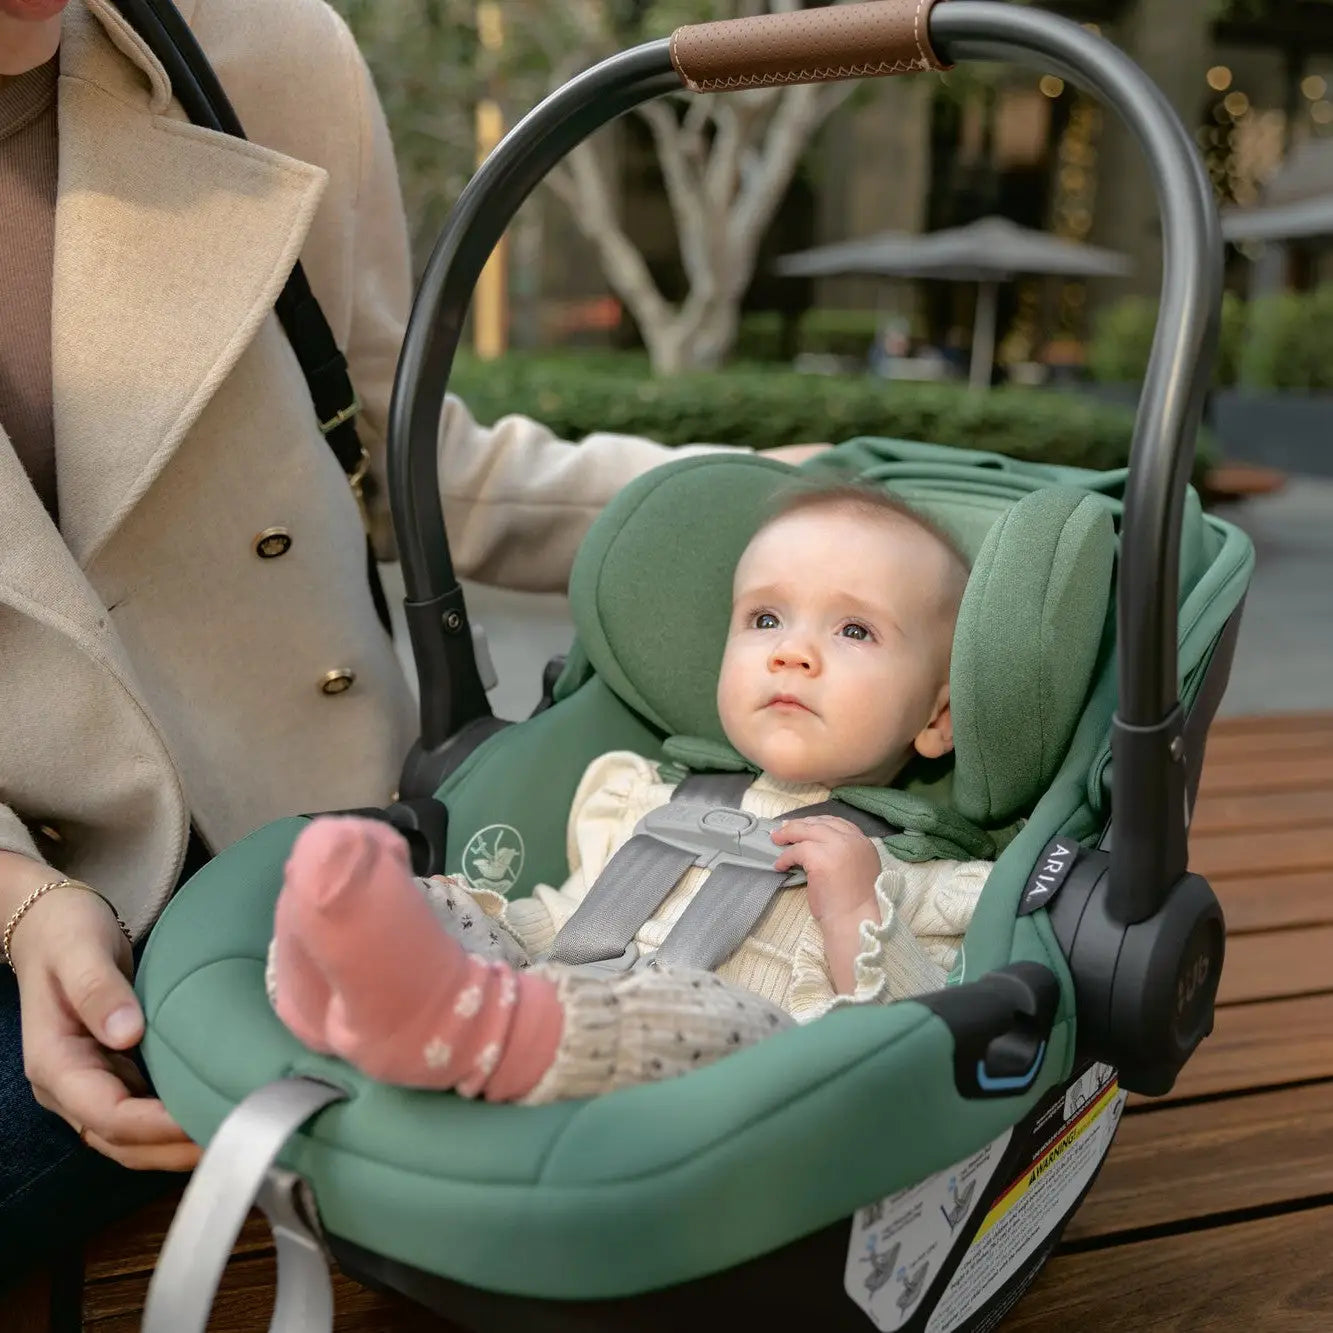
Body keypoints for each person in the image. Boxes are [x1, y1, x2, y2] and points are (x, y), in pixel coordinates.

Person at [0, 0, 824, 1285]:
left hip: (308, 866)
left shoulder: (255, 58)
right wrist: (22, 897)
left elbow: (402, 455)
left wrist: (799, 502)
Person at [267, 485, 991, 1103]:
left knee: (708, 1017)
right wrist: (476, 932)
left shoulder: (925, 882)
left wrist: (857, 913)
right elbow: (564, 924)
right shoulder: (640, 797)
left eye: (854, 629)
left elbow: (914, 1050)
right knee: (450, 908)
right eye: (765, 619)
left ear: (936, 719)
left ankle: (459, 1028)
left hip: (725, 1093)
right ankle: (349, 971)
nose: (790, 652)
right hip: (553, 1001)